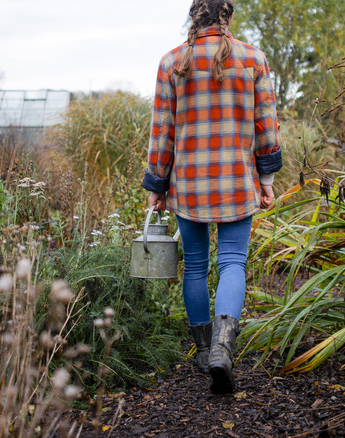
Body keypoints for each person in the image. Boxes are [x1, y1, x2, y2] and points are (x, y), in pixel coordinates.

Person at [141, 0, 282, 394]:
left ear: (193, 19)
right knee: (233, 262)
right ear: (228, 17)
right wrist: (266, 178)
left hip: (188, 183)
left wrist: (157, 185)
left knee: (195, 267)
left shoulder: (172, 62)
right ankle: (224, 347)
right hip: (237, 180)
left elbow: (162, 131)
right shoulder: (254, 59)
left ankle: (204, 354)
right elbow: (266, 125)